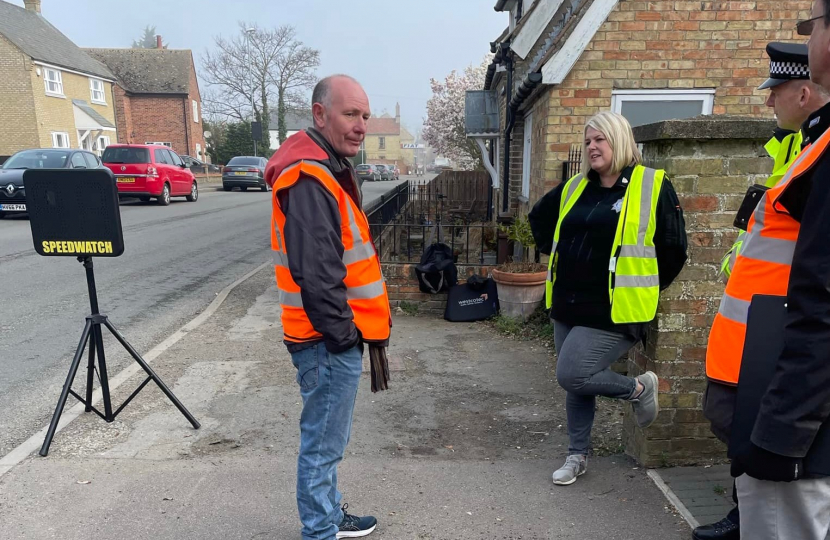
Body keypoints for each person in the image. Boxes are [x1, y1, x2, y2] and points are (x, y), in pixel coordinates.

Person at [703, 3, 830, 537]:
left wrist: (783, 429)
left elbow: (822, 302)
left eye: (816, 23)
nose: (810, 34)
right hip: (762, 371)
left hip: (784, 391)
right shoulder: (808, 146)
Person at [528, 111, 687, 486]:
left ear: (620, 140)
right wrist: (564, 254)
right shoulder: (575, 187)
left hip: (615, 309)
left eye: (599, 139)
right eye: (587, 142)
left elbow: (673, 248)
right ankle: (576, 455)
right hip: (568, 302)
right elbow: (539, 219)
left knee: (573, 373)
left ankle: (638, 388)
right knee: (576, 382)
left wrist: (643, 285)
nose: (592, 147)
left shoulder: (651, 185)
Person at [264, 74, 392, 540]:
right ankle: (319, 531)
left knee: (328, 442)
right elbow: (317, 274)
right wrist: (344, 337)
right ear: (320, 114)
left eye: (364, 115)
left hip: (325, 337)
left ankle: (328, 515)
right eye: (349, 114)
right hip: (324, 339)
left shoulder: (321, 168)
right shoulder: (309, 176)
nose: (360, 125)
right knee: (322, 444)